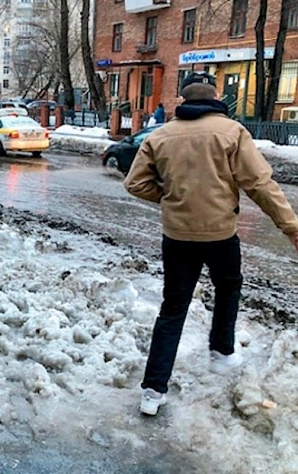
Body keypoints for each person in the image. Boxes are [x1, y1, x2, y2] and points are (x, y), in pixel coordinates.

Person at [124, 71, 298, 416]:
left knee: (172, 310)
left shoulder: (160, 136)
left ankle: (152, 391)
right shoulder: (232, 132)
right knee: (229, 287)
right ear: (215, 97)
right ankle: (221, 352)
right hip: (220, 235)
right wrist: (290, 228)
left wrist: (171, 199)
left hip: (176, 236)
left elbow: (135, 183)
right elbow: (260, 186)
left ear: (184, 100)